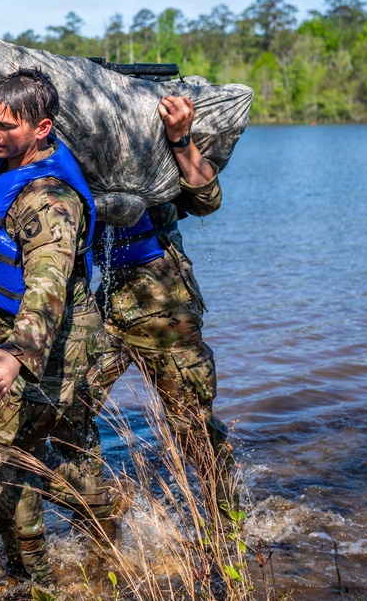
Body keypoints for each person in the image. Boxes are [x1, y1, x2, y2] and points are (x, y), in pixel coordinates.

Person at [0, 68, 123, 592]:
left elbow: (47, 286)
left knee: (3, 461)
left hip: (48, 343)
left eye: (8, 127)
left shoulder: (49, 201)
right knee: (70, 446)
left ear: (43, 129)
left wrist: (16, 354)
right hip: (63, 338)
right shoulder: (4, 167)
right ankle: (107, 543)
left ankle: (35, 582)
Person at [94, 95, 241, 517]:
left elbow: (207, 199)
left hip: (164, 299)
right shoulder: (73, 139)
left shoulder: (149, 140)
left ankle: (229, 529)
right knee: (65, 407)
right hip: (102, 300)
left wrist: (179, 138)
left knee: (192, 424)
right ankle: (104, 515)